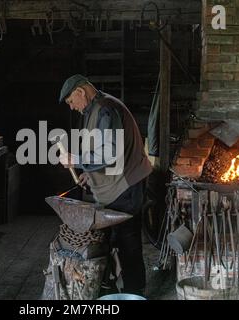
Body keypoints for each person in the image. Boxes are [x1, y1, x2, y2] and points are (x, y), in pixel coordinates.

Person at [58, 74, 153, 295]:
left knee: (127, 240)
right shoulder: (96, 109)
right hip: (120, 183)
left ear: (80, 92)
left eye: (71, 102)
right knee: (118, 238)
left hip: (126, 186)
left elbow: (111, 153)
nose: (72, 107)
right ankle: (116, 286)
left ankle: (134, 292)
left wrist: (77, 161)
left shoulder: (105, 109)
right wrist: (90, 174)